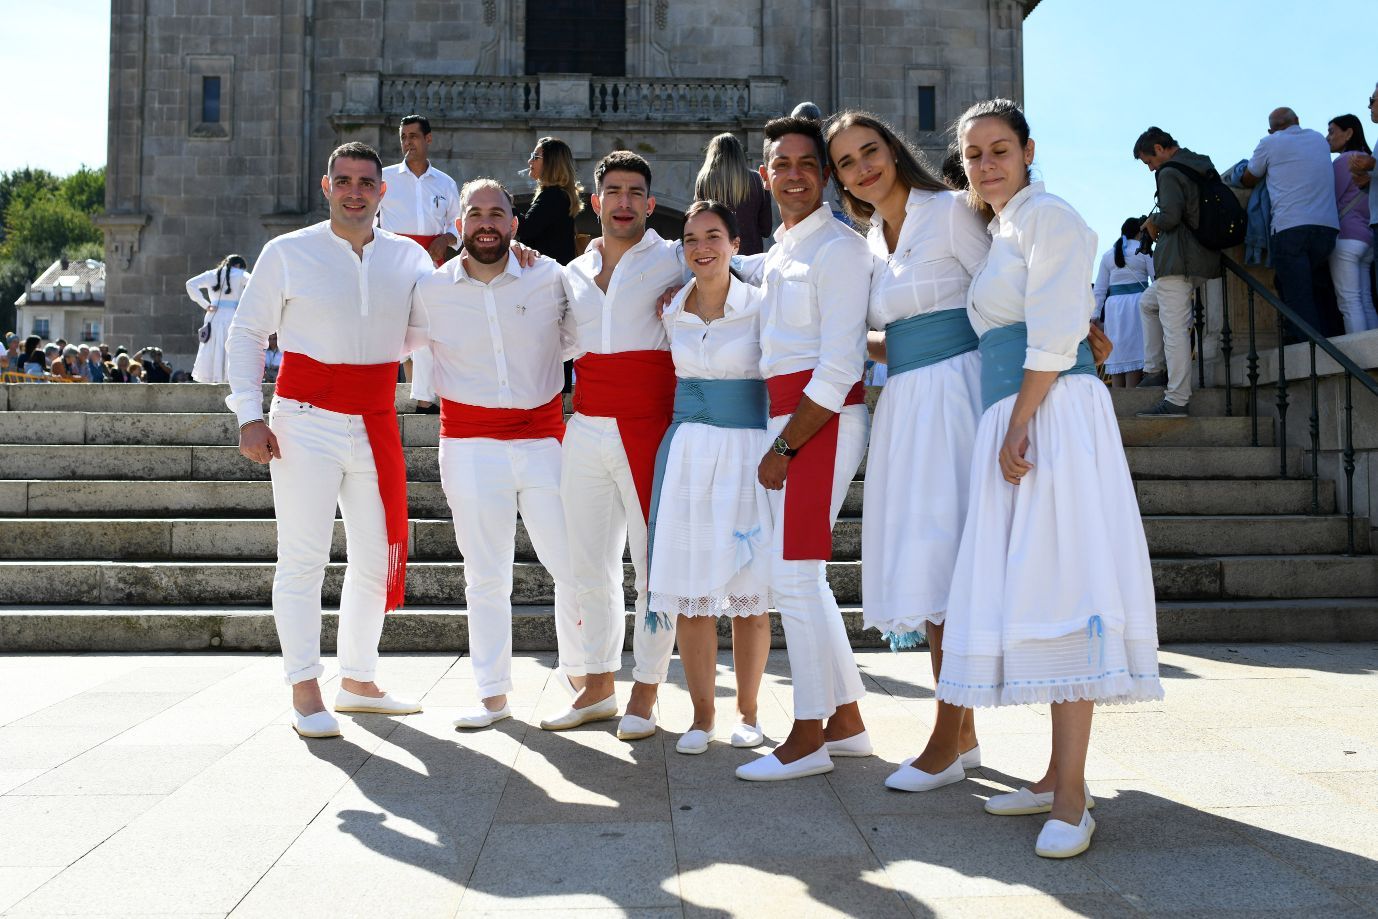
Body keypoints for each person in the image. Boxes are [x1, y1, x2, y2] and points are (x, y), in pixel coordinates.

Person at [939, 99, 1162, 859]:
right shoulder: (1004, 230)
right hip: (1022, 406)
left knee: (1064, 586)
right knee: (1036, 585)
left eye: (999, 148)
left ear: (1028, 150)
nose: (986, 163)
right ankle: (1053, 774)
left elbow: (1058, 325)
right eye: (973, 154)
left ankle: (1073, 795)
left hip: (1052, 412)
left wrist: (1022, 419)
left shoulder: (1051, 217)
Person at [227, 141, 434, 739]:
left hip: (374, 418)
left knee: (375, 555)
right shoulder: (288, 252)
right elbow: (246, 333)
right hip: (302, 419)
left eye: (365, 182)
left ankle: (360, 679)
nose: (354, 191)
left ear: (381, 191)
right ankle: (304, 687)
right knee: (303, 557)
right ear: (326, 187)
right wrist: (248, 414)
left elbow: (439, 317)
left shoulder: (408, 259)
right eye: (343, 180)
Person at [822, 109, 988, 791]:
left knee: (947, 561)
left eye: (870, 151)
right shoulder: (868, 242)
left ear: (893, 150)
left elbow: (1001, 298)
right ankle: (966, 733)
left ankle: (946, 739)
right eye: (847, 163)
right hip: (906, 401)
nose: (863, 168)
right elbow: (895, 332)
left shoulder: (948, 211)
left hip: (958, 398)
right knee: (926, 557)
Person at [408, 178, 582, 730]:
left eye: (497, 213)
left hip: (544, 441)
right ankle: (491, 693)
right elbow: (388, 342)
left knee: (571, 564)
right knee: (485, 574)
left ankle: (582, 679)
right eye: (475, 213)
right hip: (470, 444)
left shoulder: (550, 277)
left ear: (514, 222)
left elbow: (579, 337)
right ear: (460, 224)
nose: (486, 222)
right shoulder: (430, 290)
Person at [733, 116, 872, 782]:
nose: (793, 174)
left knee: (792, 576)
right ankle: (846, 722)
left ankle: (808, 735)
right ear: (765, 175)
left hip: (821, 419)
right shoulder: (783, 248)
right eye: (780, 164)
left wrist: (784, 447)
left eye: (805, 164)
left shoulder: (840, 249)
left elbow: (842, 364)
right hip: (788, 416)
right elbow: (727, 263)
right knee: (805, 579)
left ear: (825, 174)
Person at [540, 151, 683, 740]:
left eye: (635, 192)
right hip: (587, 425)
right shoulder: (569, 272)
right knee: (584, 563)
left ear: (650, 204)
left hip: (649, 425)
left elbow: (740, 273)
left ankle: (647, 691)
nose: (623, 201)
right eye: (613, 192)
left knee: (653, 563)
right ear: (594, 202)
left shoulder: (676, 258)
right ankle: (597, 685)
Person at [647, 200, 773, 755]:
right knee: (691, 590)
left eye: (714, 235)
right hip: (690, 455)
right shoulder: (671, 307)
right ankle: (702, 716)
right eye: (692, 238)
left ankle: (749, 713)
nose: (702, 246)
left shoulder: (763, 305)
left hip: (747, 451)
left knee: (750, 593)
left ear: (735, 243)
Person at [1132, 127, 1221, 417]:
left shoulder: (1169, 171)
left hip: (1177, 260)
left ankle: (1177, 399)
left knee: (1174, 331)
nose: (1150, 169)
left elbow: (1170, 216)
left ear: (1159, 148)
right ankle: (1154, 370)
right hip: (1198, 258)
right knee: (1148, 303)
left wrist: (1152, 222)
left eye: (1148, 162)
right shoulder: (1198, 163)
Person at [377, 114, 461, 414]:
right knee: (387, 325)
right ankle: (378, 392)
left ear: (428, 139)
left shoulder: (445, 182)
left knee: (427, 327)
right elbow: (368, 218)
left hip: (431, 261)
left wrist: (448, 239)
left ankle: (425, 399)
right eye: (403, 137)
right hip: (393, 261)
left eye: (413, 136)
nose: (407, 142)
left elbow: (458, 223)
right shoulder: (384, 178)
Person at [1242, 108, 1341, 338]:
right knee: (1317, 287)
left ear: (1271, 129)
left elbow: (1249, 176)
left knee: (1297, 294)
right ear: (1297, 121)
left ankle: (1310, 352)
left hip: (1290, 227)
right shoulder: (1318, 139)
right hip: (1327, 228)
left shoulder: (1270, 142)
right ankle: (1331, 340)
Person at [1326, 115, 1376, 334]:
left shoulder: (1344, 161)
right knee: (1366, 301)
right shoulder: (1369, 160)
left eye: (1332, 131)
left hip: (1346, 237)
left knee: (1349, 302)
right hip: (1368, 238)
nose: (1328, 137)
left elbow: (1330, 198)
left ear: (1348, 133)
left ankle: (1360, 361)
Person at [1093, 217, 1154, 386]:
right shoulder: (1144, 251)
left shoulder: (1107, 255)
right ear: (1139, 232)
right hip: (1136, 306)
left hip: (1114, 309)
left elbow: (1099, 290)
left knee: (1118, 355)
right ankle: (1132, 401)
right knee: (1135, 352)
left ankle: (1119, 404)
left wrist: (1095, 315)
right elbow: (1156, 280)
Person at [694, 133, 773, 256]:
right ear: (739, 154)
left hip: (715, 256)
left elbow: (698, 225)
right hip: (750, 259)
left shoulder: (704, 180)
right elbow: (766, 229)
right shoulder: (757, 180)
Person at [516, 136, 583, 266]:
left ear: (551, 163)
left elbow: (526, 229)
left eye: (535, 157)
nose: (530, 161)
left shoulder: (553, 195)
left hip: (548, 275)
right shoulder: (559, 194)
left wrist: (507, 205)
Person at [185, 254, 251, 383]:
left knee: (213, 345)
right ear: (238, 265)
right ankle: (229, 377)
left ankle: (213, 377)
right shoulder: (240, 274)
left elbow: (190, 284)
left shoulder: (212, 274)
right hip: (232, 314)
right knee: (230, 345)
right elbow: (255, 283)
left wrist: (205, 304)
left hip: (213, 315)